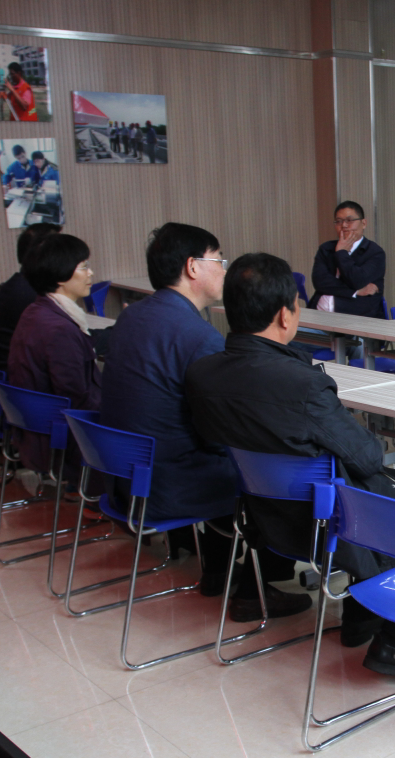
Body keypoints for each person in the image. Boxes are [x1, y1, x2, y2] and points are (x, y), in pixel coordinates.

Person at [185, 252, 395, 681]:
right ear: (285, 315)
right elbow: (367, 456)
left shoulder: (202, 374)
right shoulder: (302, 385)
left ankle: (362, 614)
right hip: (328, 526)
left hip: (264, 516)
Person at [101, 223, 273, 615]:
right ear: (193, 267)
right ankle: (253, 590)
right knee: (269, 469)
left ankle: (218, 570)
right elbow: (222, 431)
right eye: (219, 260)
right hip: (169, 485)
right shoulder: (198, 337)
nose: (224, 271)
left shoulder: (131, 316)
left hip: (125, 478)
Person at [7, 234, 102, 478]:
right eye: (84, 267)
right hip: (65, 438)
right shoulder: (59, 329)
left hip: (38, 430)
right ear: (60, 275)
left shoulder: (37, 310)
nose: (90, 273)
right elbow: (77, 399)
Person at [0, 223, 61, 370]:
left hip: (9, 372)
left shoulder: (18, 284)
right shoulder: (31, 294)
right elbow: (60, 342)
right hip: (19, 376)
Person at [309, 200, 386, 318]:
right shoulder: (326, 248)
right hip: (317, 315)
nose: (344, 225)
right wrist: (355, 291)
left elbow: (357, 280)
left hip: (354, 318)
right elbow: (320, 282)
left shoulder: (375, 253)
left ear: (363, 223)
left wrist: (341, 252)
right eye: (339, 221)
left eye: (349, 220)